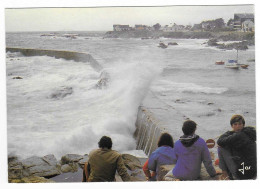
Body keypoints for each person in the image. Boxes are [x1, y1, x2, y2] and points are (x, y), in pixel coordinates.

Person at [217, 115, 256, 180]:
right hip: (254, 171)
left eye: (240, 124)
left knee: (221, 148)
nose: (238, 126)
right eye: (235, 124)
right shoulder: (250, 133)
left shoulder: (239, 135)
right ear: (232, 126)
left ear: (243, 125)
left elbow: (220, 141)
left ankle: (225, 174)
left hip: (242, 174)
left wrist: (231, 135)